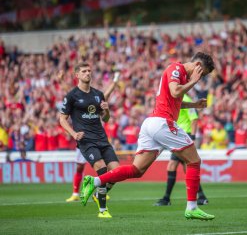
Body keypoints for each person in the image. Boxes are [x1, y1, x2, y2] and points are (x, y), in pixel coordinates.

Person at [80, 52, 216, 221]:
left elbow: (174, 100)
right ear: (198, 66)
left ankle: (94, 182)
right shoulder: (177, 69)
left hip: (152, 124)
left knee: (136, 170)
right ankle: (192, 207)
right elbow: (175, 92)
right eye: (202, 74)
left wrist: (194, 104)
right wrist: (194, 81)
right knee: (194, 161)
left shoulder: (179, 74)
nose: (200, 77)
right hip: (162, 123)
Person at [59, 62, 120, 218]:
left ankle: (96, 191)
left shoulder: (98, 94)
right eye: (84, 71)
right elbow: (62, 119)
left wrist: (106, 109)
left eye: (89, 71)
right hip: (86, 140)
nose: (87, 73)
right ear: (77, 75)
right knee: (101, 167)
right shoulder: (72, 96)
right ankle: (103, 210)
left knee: (117, 172)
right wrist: (73, 134)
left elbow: (105, 119)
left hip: (102, 138)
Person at [154, 93, 208, 206]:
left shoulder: (186, 99)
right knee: (187, 168)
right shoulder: (178, 99)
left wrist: (192, 137)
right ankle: (202, 197)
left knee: (172, 166)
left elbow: (194, 119)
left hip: (183, 135)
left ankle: (166, 198)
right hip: (178, 135)